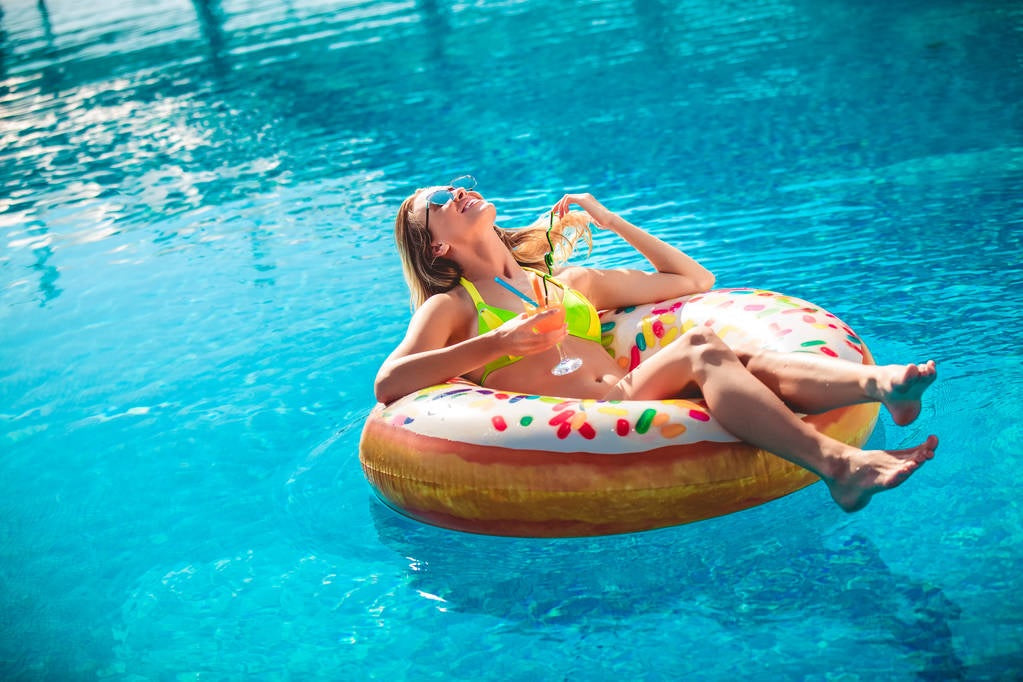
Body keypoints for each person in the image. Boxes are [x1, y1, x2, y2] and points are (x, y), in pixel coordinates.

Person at [374, 177, 939, 512]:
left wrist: (607, 217)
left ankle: (879, 384)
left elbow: (694, 282)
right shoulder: (455, 307)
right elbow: (389, 383)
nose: (458, 193)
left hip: (624, 391)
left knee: (719, 351)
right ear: (437, 249)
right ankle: (840, 463)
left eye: (456, 186)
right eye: (440, 203)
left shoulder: (565, 284)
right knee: (703, 351)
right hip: (577, 422)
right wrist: (496, 342)